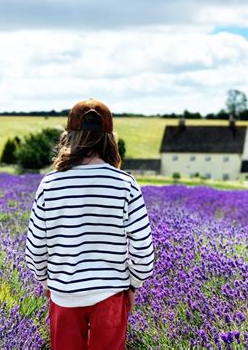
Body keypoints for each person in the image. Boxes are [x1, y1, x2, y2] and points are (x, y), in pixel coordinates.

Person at [25, 98, 155, 350]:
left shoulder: (50, 184)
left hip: (64, 296)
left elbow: (35, 248)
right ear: (109, 138)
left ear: (69, 136)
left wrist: (45, 282)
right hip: (110, 296)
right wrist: (134, 285)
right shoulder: (125, 184)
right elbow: (142, 248)